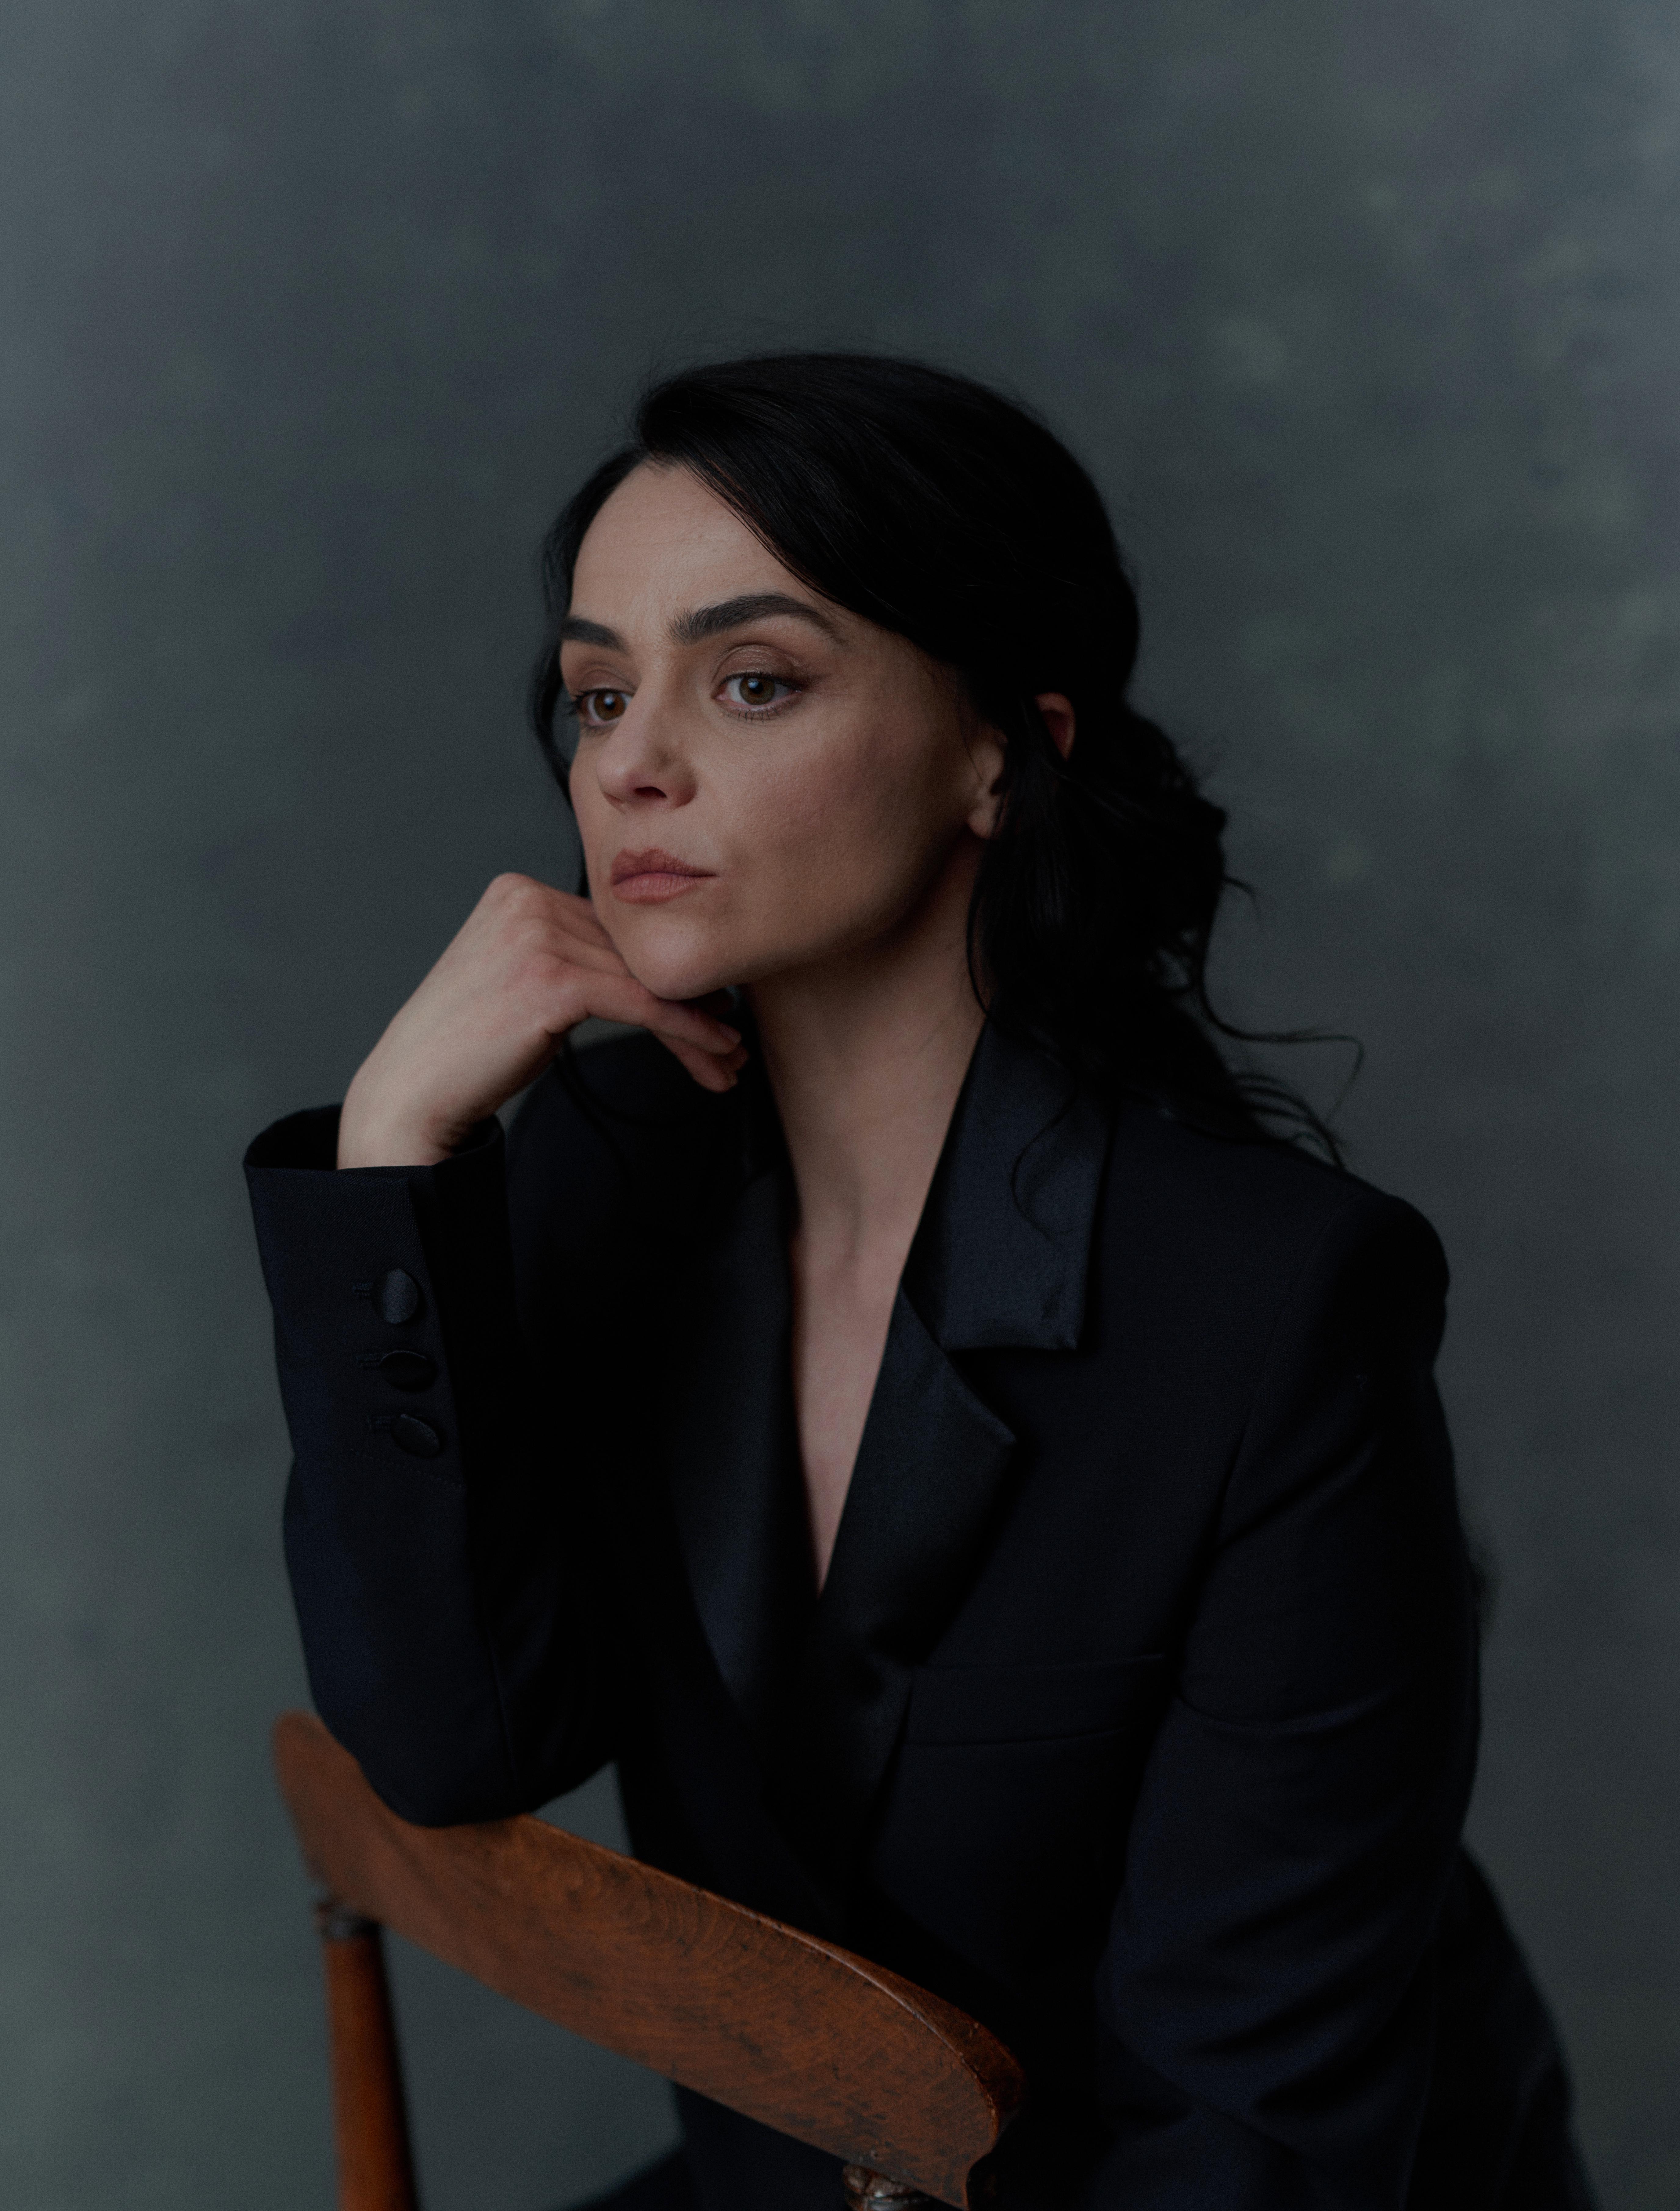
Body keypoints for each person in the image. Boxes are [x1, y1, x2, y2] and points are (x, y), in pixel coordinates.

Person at [244, 354, 1593, 2210]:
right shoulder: (614, 1170)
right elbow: (450, 1739)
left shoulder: (1273, 1306)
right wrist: (397, 1147)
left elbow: (1256, 2140)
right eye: (600, 694)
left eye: (754, 681)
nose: (630, 763)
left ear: (999, 753)